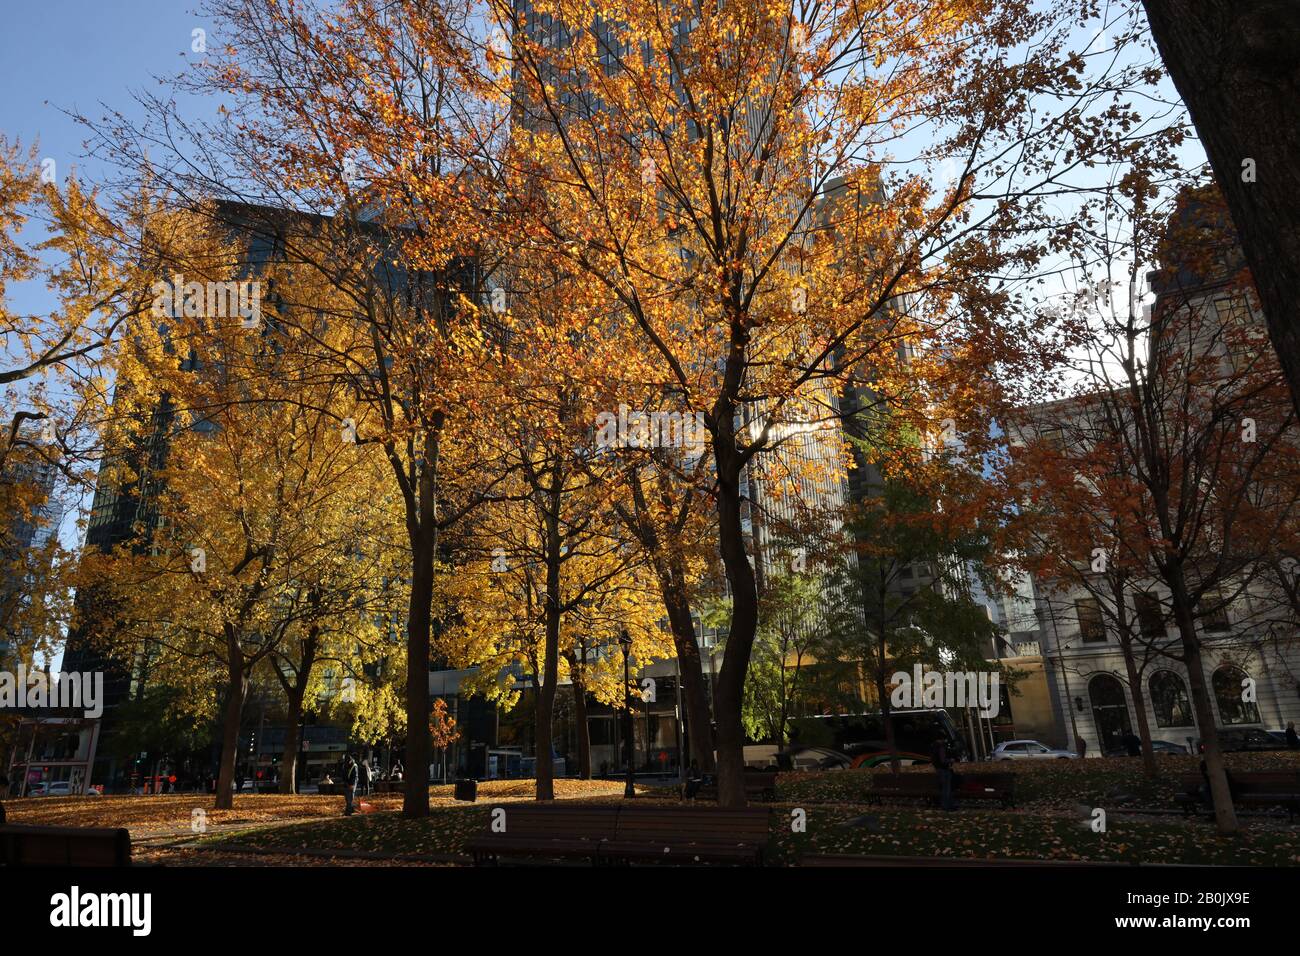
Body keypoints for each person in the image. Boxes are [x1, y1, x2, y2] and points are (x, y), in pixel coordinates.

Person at [929, 733, 956, 811]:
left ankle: (946, 804)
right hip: (944, 769)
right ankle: (947, 805)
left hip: (938, 769)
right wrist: (950, 760)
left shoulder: (933, 746)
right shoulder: (941, 747)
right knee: (946, 788)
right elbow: (943, 760)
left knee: (944, 788)